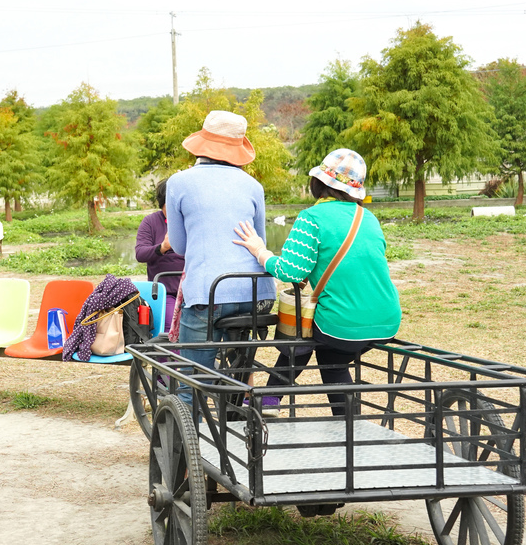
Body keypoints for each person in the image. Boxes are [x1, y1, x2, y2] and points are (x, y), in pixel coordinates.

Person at [233, 148, 401, 414]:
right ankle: (270, 399)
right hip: (387, 319)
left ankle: (278, 401)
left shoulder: (311, 218)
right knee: (321, 342)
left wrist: (260, 251)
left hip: (344, 323)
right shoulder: (368, 218)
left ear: (319, 183)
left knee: (316, 345)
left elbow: (289, 271)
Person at [166, 111, 277, 405]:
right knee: (238, 372)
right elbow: (259, 242)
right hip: (257, 295)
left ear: (203, 144)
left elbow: (178, 246)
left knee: (192, 381)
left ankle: (186, 447)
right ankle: (239, 413)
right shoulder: (254, 186)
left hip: (209, 292)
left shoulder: (179, 182)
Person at [134, 178, 184, 318]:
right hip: (164, 291)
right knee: (168, 325)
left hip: (191, 290)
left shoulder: (190, 220)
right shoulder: (150, 222)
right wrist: (162, 247)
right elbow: (140, 254)